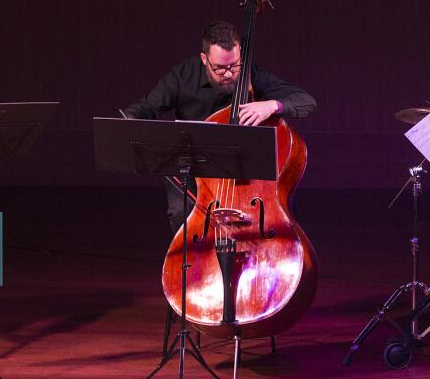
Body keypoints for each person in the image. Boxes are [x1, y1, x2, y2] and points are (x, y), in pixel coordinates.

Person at [122, 20, 317, 232]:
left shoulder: (251, 73)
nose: (228, 74)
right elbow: (147, 106)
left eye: (234, 66)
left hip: (242, 174)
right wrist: (130, 119)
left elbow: (306, 101)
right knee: (181, 213)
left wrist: (272, 105)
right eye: (220, 68)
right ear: (204, 59)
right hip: (194, 173)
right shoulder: (182, 76)